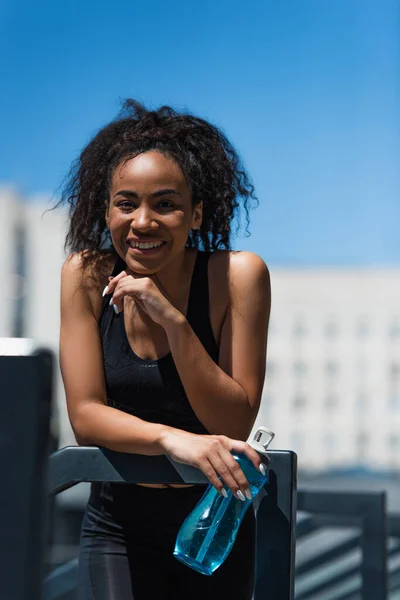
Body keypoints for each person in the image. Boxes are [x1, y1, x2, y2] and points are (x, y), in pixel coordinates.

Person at [59, 99, 271, 600]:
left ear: (196, 214)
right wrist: (177, 441)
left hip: (213, 522)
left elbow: (234, 420)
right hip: (117, 524)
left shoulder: (238, 276)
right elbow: (85, 415)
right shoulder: (85, 276)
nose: (143, 221)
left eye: (166, 204)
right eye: (126, 203)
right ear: (106, 210)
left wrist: (174, 321)